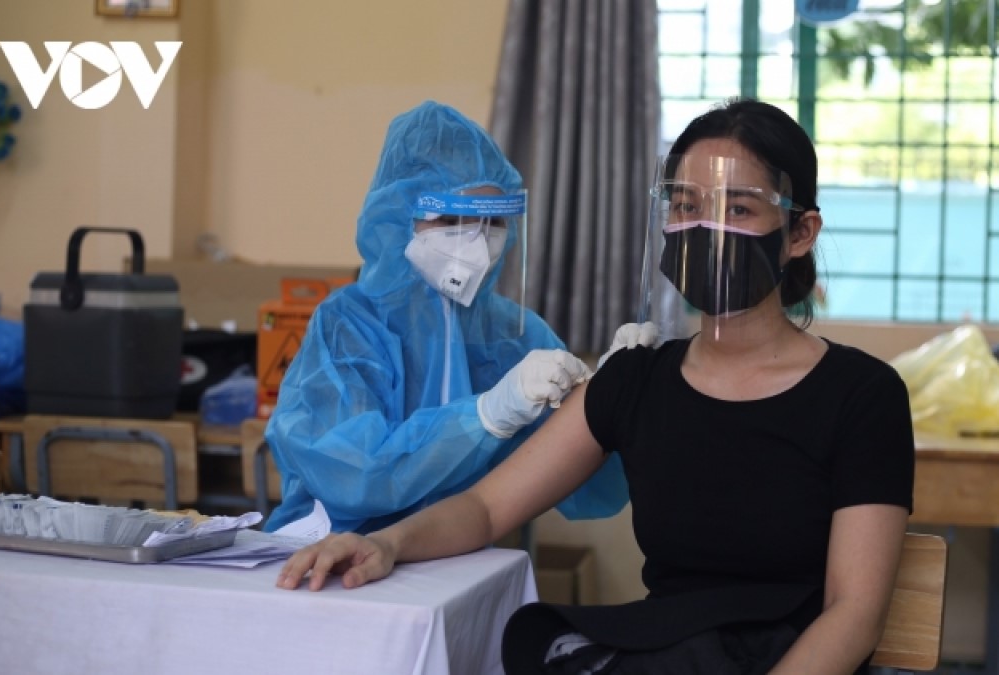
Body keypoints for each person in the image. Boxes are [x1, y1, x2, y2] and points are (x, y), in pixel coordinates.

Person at [275, 98, 915, 675]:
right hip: (671, 651)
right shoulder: (637, 378)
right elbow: (487, 509)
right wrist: (385, 543)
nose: (703, 228)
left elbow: (853, 614)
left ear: (800, 233)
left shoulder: (863, 395)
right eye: (685, 206)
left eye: (738, 208)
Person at [264, 101, 649, 534]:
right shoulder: (349, 326)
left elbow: (589, 491)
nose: (477, 244)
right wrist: (487, 415)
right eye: (451, 219)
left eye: (493, 222)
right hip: (332, 553)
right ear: (399, 218)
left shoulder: (517, 336)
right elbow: (352, 474)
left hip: (454, 554)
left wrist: (608, 401)